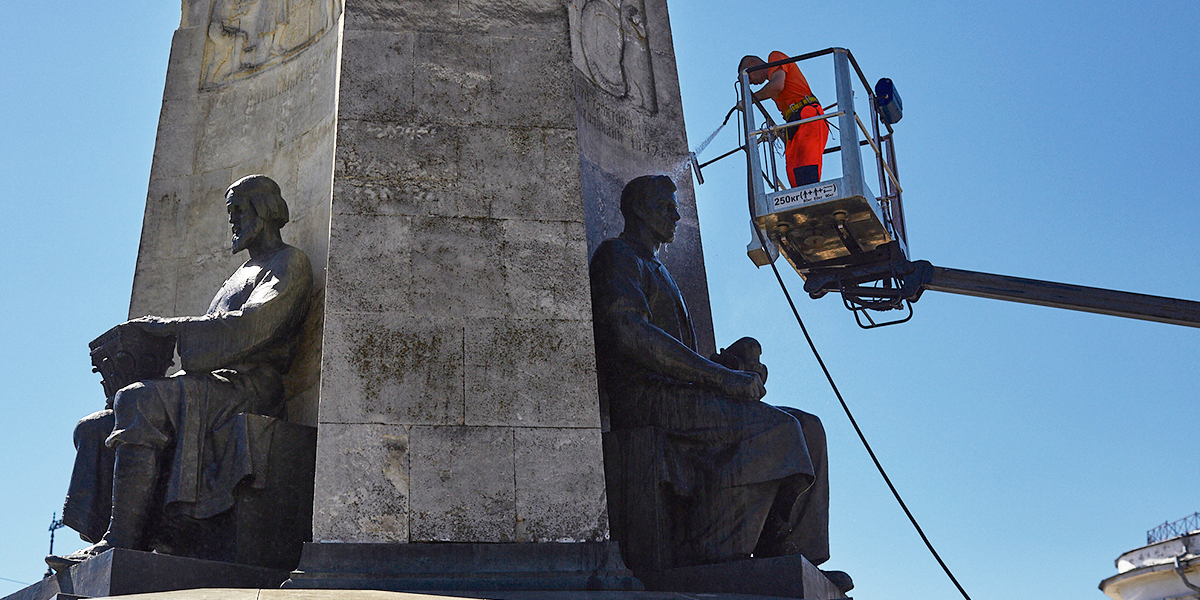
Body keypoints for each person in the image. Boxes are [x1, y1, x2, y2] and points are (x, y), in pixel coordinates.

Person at [590, 175, 847, 591]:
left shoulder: (661, 270)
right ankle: (715, 546)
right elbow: (629, 333)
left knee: (810, 428)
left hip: (683, 396)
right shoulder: (617, 256)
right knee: (779, 430)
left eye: (676, 206)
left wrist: (731, 363)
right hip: (647, 399)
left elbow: (680, 352)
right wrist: (723, 378)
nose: (676, 213)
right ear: (638, 209)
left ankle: (787, 545)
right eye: (666, 205)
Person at [47, 174, 312, 570]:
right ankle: (109, 537)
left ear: (265, 210)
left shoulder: (288, 262)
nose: (233, 221)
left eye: (239, 210)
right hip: (216, 383)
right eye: (230, 213)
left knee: (136, 400)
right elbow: (213, 334)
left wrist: (170, 328)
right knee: (93, 427)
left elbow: (252, 325)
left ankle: (121, 541)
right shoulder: (237, 276)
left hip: (251, 386)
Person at [739, 52, 830, 188]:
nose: (752, 83)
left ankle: (812, 197)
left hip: (808, 115)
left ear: (752, 64)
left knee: (806, 162)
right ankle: (803, 200)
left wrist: (749, 100)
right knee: (793, 169)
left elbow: (777, 86)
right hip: (795, 121)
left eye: (749, 79)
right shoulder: (773, 81)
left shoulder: (774, 57)